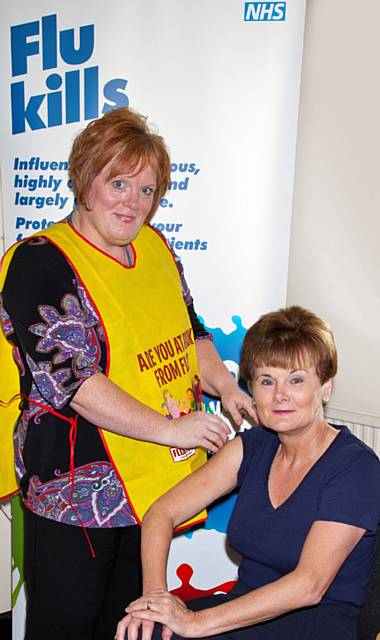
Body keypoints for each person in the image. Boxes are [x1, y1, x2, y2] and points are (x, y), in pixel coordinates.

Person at [0, 107, 255, 640]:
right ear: (83, 178)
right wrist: (171, 429)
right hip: (76, 494)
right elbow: (72, 382)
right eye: (119, 183)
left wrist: (228, 388)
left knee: (130, 625)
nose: (133, 203)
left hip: (151, 490)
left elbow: (194, 335)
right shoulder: (40, 261)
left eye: (147, 190)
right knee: (68, 628)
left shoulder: (157, 247)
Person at [116, 306, 380, 640]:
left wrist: (196, 623)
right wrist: (156, 598)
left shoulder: (356, 468)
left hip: (317, 624)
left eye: (296, 380)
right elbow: (162, 513)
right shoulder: (253, 447)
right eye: (267, 381)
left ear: (325, 388)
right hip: (243, 611)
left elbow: (309, 585)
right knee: (145, 631)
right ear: (252, 388)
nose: (280, 395)